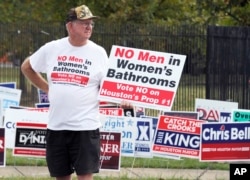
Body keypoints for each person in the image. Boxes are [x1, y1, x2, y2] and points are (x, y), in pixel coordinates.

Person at [21, 4, 132, 180]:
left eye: (91, 23)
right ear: (70, 26)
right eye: (84, 23)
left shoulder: (98, 53)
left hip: (85, 128)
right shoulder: (52, 48)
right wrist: (47, 88)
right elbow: (27, 67)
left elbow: (108, 87)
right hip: (57, 126)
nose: (89, 27)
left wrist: (122, 100)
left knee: (85, 176)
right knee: (61, 176)